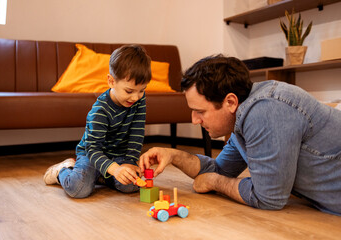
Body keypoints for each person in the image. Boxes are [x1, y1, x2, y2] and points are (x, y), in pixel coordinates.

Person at [139, 54, 341, 216]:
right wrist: (173, 155)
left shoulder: (266, 111)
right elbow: (219, 169)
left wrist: (214, 182)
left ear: (230, 102)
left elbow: (269, 198)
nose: (194, 120)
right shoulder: (243, 118)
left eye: (200, 111)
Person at [44, 45, 151, 198]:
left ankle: (101, 176)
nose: (136, 97)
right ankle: (63, 169)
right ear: (111, 81)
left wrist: (130, 162)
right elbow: (93, 150)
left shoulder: (139, 100)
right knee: (78, 189)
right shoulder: (100, 110)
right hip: (92, 155)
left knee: (131, 185)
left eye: (142, 90)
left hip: (118, 155)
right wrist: (115, 170)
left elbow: (137, 133)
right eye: (129, 91)